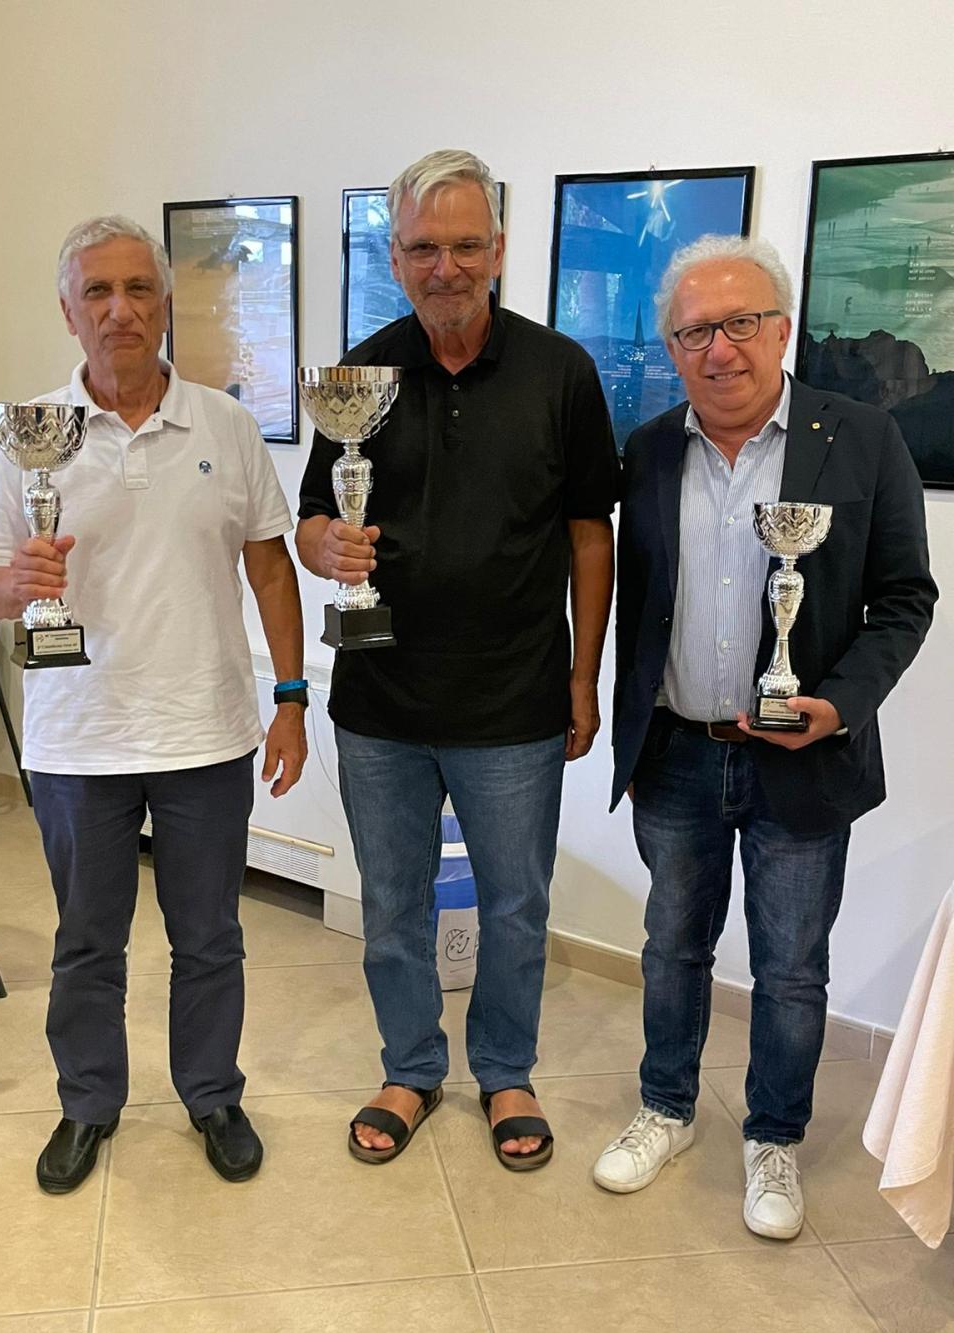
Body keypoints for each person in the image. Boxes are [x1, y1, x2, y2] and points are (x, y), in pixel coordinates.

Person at [592, 234, 937, 1237]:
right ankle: (666, 1109)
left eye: (741, 322)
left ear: (781, 329)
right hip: (677, 750)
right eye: (695, 331)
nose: (720, 348)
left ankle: (773, 1137)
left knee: (790, 966)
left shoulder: (861, 438)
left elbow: (904, 598)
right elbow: (634, 600)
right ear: (671, 348)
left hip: (803, 756)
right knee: (671, 946)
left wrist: (839, 704)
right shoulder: (649, 449)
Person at [0, 215, 308, 1192]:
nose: (120, 309)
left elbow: (270, 570)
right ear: (68, 312)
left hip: (206, 733)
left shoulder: (225, 424)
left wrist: (290, 699)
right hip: (78, 741)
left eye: (138, 289)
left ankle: (212, 1094)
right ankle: (87, 1103)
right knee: (87, 944)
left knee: (210, 939)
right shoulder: (28, 431)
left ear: (163, 305)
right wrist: (16, 581)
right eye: (98, 292)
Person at [296, 150, 619, 1170]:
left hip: (515, 699)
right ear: (395, 257)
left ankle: (506, 1070)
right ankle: (410, 1066)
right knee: (392, 905)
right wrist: (326, 547)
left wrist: (583, 675)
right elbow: (310, 520)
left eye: (466, 245)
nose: (447, 267)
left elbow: (590, 534)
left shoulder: (560, 372)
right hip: (381, 700)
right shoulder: (357, 376)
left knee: (516, 905)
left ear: (499, 250)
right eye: (425, 247)